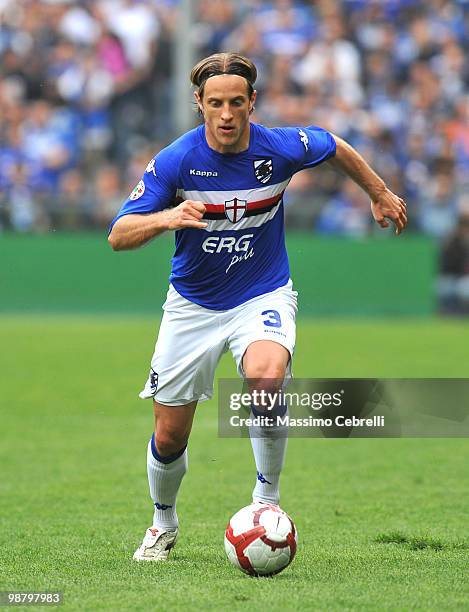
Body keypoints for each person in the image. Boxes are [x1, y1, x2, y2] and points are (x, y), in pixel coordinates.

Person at [107, 52, 407, 562]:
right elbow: (118, 235)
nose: (226, 114)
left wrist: (378, 193)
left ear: (252, 103)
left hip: (261, 294)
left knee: (267, 380)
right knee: (170, 433)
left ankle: (266, 502)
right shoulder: (177, 160)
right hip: (193, 307)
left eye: (237, 103)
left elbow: (333, 144)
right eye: (216, 103)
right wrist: (167, 217)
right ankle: (163, 521)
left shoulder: (280, 147)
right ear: (199, 103)